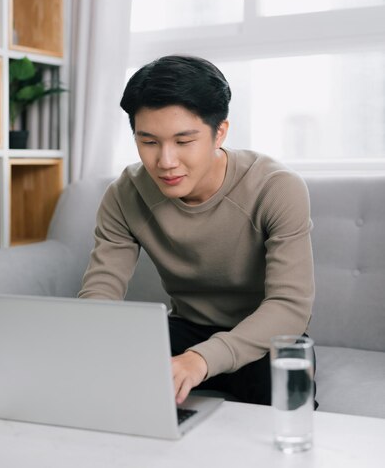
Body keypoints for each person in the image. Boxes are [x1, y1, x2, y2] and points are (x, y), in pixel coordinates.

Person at [78, 55, 315, 407]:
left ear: (220, 132)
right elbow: (100, 293)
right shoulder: (125, 193)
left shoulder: (276, 188)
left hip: (262, 334)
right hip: (185, 329)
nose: (166, 161)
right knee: (91, 380)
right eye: (149, 141)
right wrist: (84, 346)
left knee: (286, 402)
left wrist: (201, 361)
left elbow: (289, 306)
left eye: (183, 141)